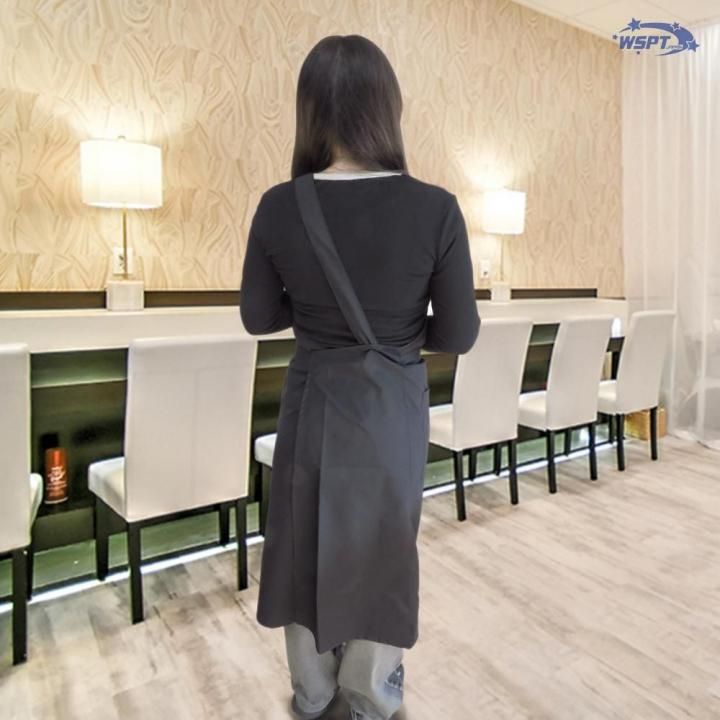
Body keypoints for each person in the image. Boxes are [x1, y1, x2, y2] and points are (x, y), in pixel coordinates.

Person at [240, 34, 480, 720]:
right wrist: (395, 336)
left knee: (302, 541)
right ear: (388, 108)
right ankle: (370, 695)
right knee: (382, 545)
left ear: (309, 111)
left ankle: (313, 692)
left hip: (314, 398)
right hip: (391, 406)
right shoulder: (436, 208)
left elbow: (259, 317)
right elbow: (459, 333)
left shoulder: (280, 205)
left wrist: (322, 324)